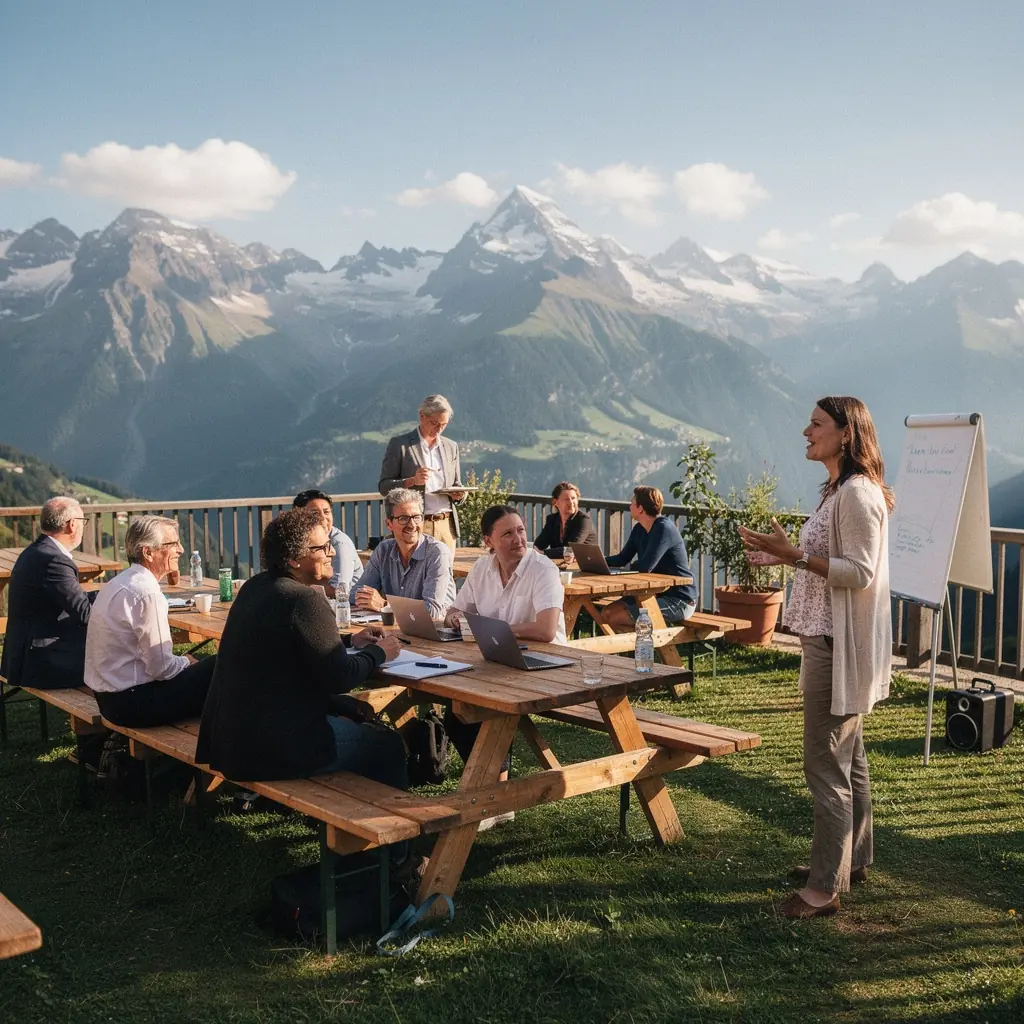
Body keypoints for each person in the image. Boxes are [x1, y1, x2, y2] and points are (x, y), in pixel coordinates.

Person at [739, 396, 893, 919]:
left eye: (817, 424)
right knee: (850, 760)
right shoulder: (837, 491)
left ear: (846, 434)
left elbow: (860, 571)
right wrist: (783, 557)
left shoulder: (857, 493)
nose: (806, 431)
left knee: (825, 762)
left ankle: (825, 888)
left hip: (836, 647)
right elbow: (831, 567)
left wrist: (795, 555)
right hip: (827, 639)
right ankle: (852, 858)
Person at [196, 508, 406, 784]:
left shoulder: (256, 586)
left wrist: (349, 640)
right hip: (272, 750)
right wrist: (379, 652)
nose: (331, 553)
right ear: (294, 560)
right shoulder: (304, 599)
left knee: (352, 719)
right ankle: (396, 824)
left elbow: (288, 645)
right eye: (321, 548)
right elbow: (341, 677)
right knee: (387, 745)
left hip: (230, 742)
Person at [85, 516, 216, 727]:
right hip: (135, 703)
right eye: (173, 544)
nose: (181, 549)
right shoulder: (147, 593)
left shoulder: (117, 583)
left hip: (108, 698)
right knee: (223, 662)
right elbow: (161, 668)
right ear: (148, 552)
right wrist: (186, 662)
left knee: (206, 666)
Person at [0, 496, 94, 690]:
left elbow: (71, 602)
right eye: (83, 522)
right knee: (122, 663)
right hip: (43, 664)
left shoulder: (37, 551)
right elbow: (86, 614)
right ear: (72, 525)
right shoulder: (54, 560)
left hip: (25, 658)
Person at [601, 486, 699, 631]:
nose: (629, 506)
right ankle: (638, 649)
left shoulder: (664, 529)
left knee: (616, 617)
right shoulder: (639, 529)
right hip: (653, 593)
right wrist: (599, 561)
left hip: (680, 599)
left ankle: (644, 649)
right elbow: (622, 558)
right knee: (607, 613)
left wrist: (633, 566)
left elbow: (645, 567)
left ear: (640, 509)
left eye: (632, 503)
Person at [378, 394, 466, 553]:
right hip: (415, 525)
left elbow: (457, 484)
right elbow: (384, 487)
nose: (439, 429)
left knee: (445, 577)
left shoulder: (451, 447)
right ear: (422, 416)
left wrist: (460, 494)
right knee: (414, 575)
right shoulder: (400, 445)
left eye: (444, 425)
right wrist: (412, 481)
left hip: (446, 526)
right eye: (434, 423)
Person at [352, 488, 456, 620]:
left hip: (434, 634)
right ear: (389, 524)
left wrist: (385, 605)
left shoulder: (437, 553)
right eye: (403, 518)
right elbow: (356, 593)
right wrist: (367, 597)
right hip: (395, 631)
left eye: (417, 517)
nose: (412, 525)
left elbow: (432, 612)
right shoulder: (384, 549)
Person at [292, 489, 361, 598]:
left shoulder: (339, 543)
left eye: (326, 512)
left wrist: (297, 585)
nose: (323, 518)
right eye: (315, 513)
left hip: (349, 607)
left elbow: (338, 590)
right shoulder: (297, 539)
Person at [532, 481, 598, 560]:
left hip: (585, 567)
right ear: (555, 502)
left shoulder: (584, 521)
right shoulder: (552, 520)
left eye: (573, 498)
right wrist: (538, 552)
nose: (571, 502)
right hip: (561, 565)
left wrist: (544, 553)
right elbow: (538, 545)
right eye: (566, 499)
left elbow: (570, 550)